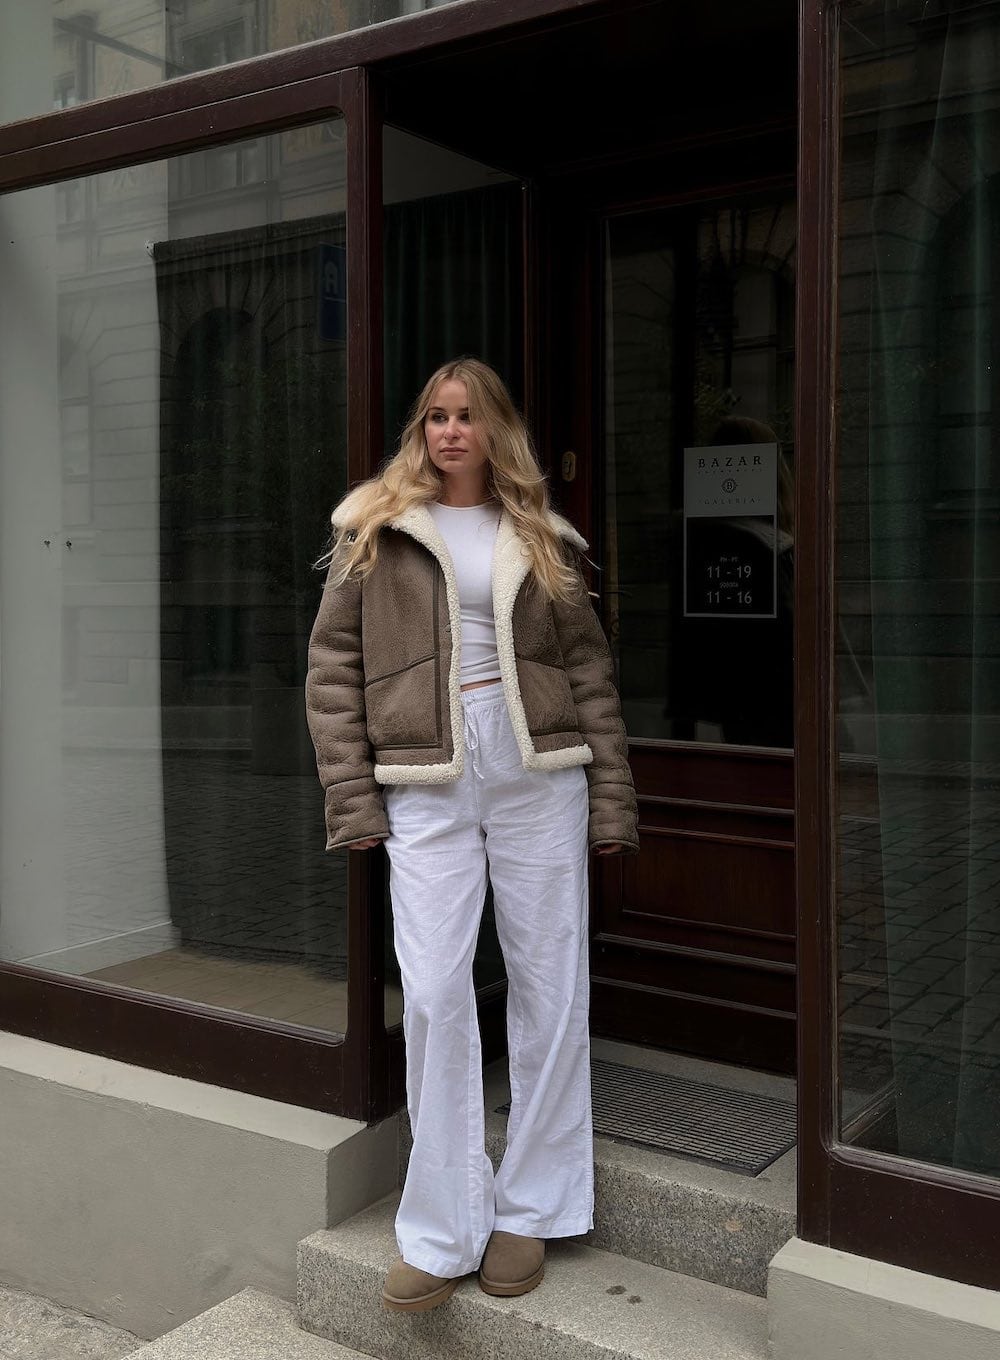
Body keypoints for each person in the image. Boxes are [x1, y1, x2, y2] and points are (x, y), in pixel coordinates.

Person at [305, 357, 638, 1314]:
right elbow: (332, 673)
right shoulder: (373, 530)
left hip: (538, 774)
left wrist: (611, 801)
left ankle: (530, 1208)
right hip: (429, 779)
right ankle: (443, 1226)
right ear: (422, 430)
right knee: (440, 993)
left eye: (468, 416)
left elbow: (591, 677)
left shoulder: (543, 537)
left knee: (548, 984)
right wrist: (352, 799)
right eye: (436, 417)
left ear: (496, 431)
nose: (450, 431)